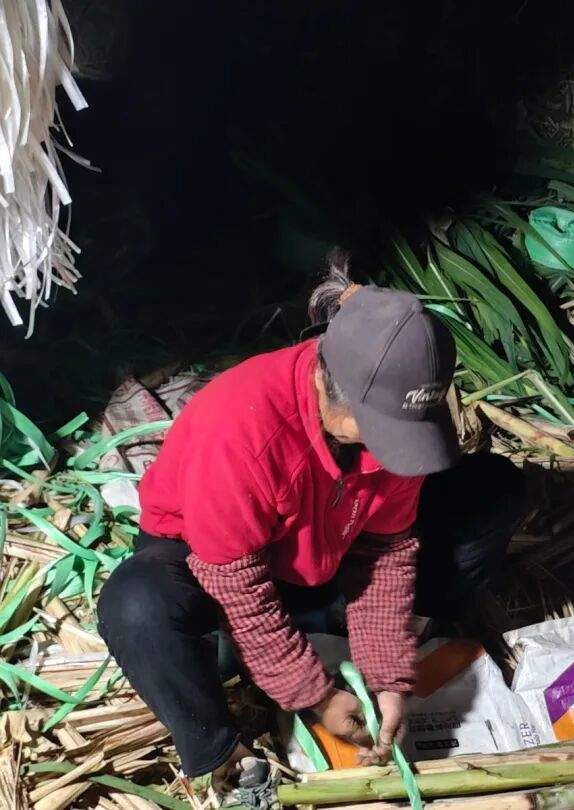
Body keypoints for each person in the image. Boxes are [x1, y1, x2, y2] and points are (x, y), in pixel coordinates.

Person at [97, 262, 526, 800]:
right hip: (218, 572)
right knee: (136, 604)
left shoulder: (394, 422)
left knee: (492, 488)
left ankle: (355, 630)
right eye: (378, 431)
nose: (388, 449)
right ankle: (224, 754)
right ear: (325, 381)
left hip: (324, 549)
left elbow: (387, 550)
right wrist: (313, 695)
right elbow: (238, 586)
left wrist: (388, 672)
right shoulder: (240, 430)